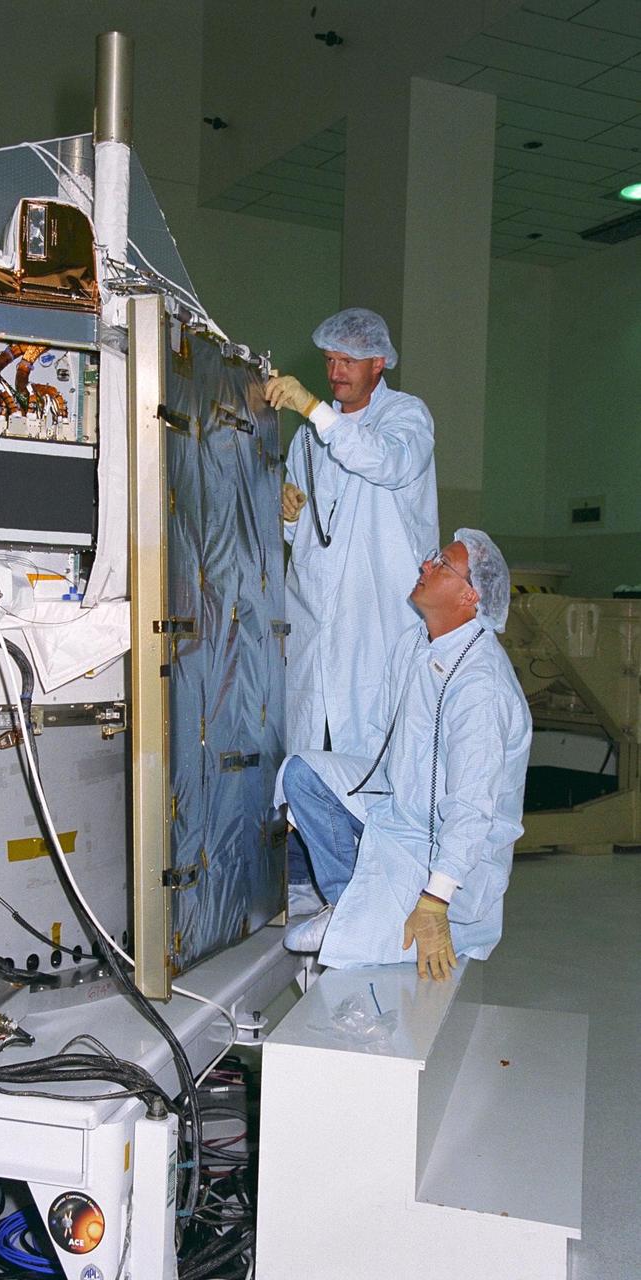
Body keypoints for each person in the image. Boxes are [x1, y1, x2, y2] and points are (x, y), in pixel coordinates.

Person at [273, 529, 532, 980]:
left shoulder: (480, 685)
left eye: (442, 565)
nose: (425, 567)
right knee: (303, 774)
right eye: (434, 558)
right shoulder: (417, 644)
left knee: (334, 947)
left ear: (470, 596)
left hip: (452, 854)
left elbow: (473, 809)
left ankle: (394, 910)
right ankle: (346, 900)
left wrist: (435, 901)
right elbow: (384, 742)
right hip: (401, 808)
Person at [264, 307, 438, 756]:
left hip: (376, 623)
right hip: (314, 627)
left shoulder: (406, 417)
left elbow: (385, 462)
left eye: (348, 361)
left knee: (372, 758)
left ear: (378, 362)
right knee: (310, 761)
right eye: (329, 361)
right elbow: (308, 540)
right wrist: (289, 515)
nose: (335, 373)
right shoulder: (308, 439)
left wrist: (313, 409)